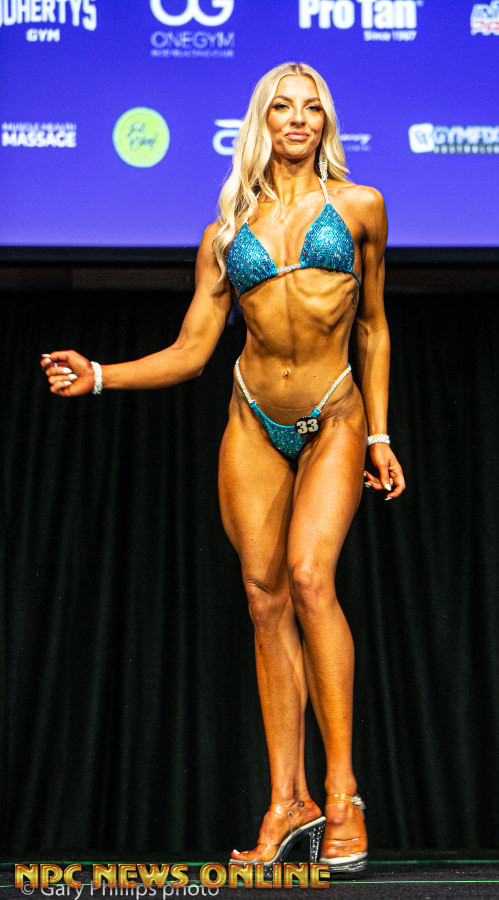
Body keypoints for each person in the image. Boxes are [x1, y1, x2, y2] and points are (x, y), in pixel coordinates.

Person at [41, 62, 405, 875]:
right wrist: (99, 375)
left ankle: (342, 793)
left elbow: (375, 327)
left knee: (309, 578)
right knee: (264, 599)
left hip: (335, 415)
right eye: (283, 108)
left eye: (312, 109)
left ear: (325, 123)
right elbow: (191, 351)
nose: (298, 119)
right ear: (261, 122)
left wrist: (380, 434)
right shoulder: (225, 234)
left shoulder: (359, 208)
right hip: (251, 418)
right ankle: (287, 800)